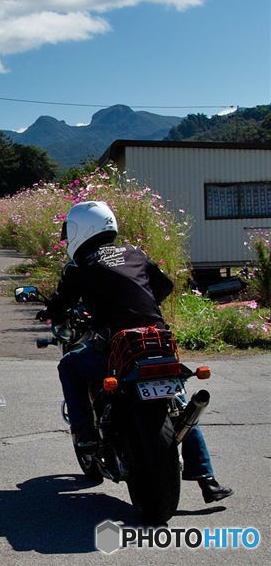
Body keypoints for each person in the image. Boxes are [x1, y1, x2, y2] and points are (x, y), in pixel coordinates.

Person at [39, 200, 232, 503]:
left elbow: (60, 305)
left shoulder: (80, 266)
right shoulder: (135, 253)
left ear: (79, 230)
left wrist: (51, 312)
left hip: (118, 346)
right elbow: (164, 286)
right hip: (157, 341)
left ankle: (85, 436)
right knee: (177, 402)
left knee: (69, 366)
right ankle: (207, 478)